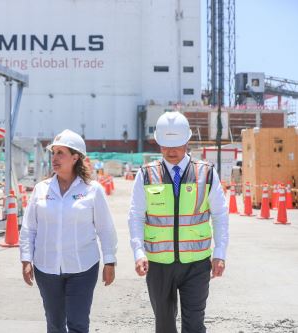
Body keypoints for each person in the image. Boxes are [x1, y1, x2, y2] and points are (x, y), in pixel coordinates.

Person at [127, 111, 228, 333]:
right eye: (165, 145)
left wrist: (220, 252)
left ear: (187, 141)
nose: (171, 151)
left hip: (197, 263)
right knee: (164, 325)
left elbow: (220, 215)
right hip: (158, 264)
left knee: (194, 324)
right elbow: (136, 215)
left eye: (176, 144)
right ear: (158, 142)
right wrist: (138, 252)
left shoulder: (206, 173)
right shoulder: (146, 174)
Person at [20, 129, 118, 333]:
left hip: (83, 268)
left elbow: (105, 228)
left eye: (60, 153)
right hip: (46, 269)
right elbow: (29, 228)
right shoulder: (41, 189)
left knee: (78, 324)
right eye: (53, 152)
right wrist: (26, 259)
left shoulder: (92, 190)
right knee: (55, 325)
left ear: (75, 157)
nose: (54, 158)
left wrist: (110, 261)